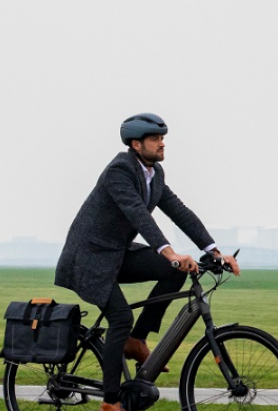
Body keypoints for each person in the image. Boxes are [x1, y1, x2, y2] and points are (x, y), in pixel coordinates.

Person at [55, 113, 239, 411]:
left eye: (163, 138)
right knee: (121, 317)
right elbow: (138, 214)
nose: (162, 143)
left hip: (116, 253)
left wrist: (215, 251)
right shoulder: (120, 171)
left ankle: (136, 340)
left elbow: (180, 211)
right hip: (88, 258)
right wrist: (170, 252)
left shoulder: (154, 175)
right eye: (156, 139)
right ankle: (112, 402)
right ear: (136, 144)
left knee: (172, 271)